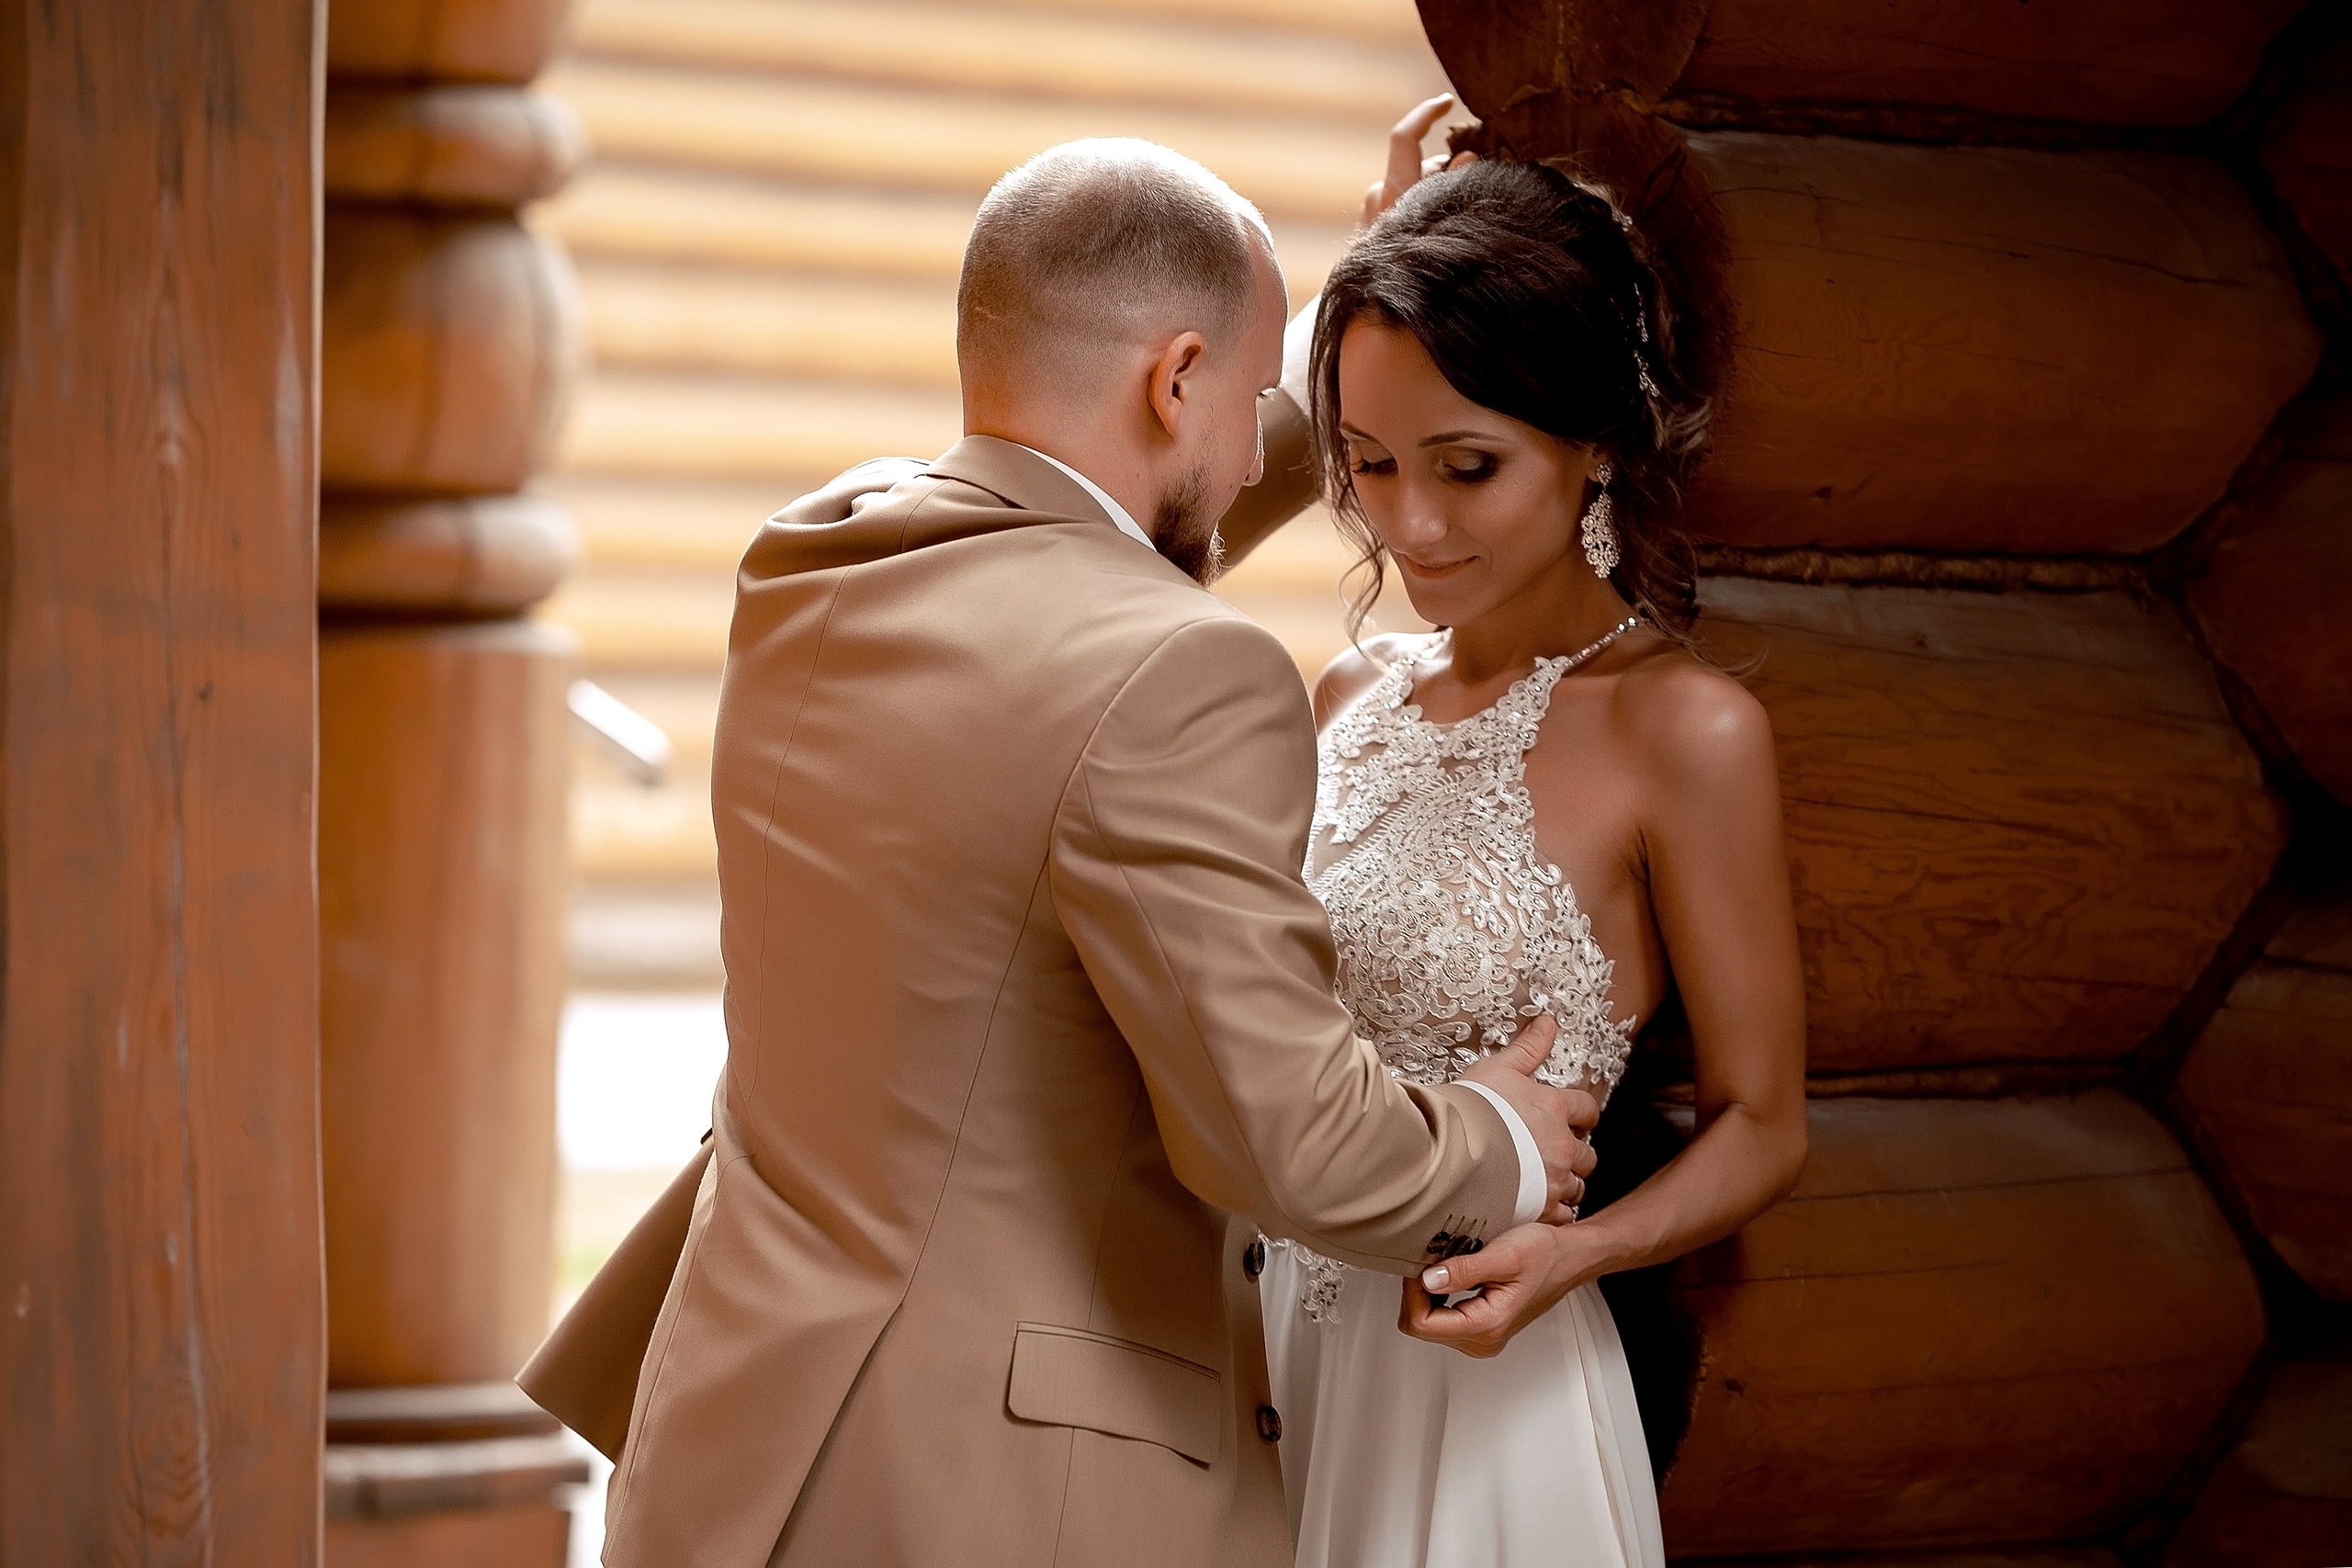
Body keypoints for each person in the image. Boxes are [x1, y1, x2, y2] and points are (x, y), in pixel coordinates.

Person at [516, 138, 1607, 1568]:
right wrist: (1506, 1149)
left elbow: (1111, 538)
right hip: (1000, 1497)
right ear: (1176, 379)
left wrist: (1362, 312)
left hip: (744, 1435)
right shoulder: (1180, 674)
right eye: (1262, 392)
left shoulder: (820, 560)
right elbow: (1293, 1144)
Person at [1246, 104, 1811, 1568]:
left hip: (1486, 1390)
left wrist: (1580, 1253)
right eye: (1368, 462)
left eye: (1467, 465)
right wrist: (1389, 259)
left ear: (1592, 446)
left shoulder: (1682, 732)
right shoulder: (1346, 694)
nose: (1412, 526)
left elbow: (1766, 1119)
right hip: (1265, 1361)